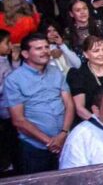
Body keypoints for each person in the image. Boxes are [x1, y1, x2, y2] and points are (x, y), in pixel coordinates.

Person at [3, 33, 75, 173]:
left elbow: (69, 104)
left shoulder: (56, 72)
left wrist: (63, 134)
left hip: (65, 142)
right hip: (35, 148)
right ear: (25, 54)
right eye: (38, 48)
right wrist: (50, 142)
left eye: (46, 47)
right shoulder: (14, 80)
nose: (45, 51)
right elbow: (18, 120)